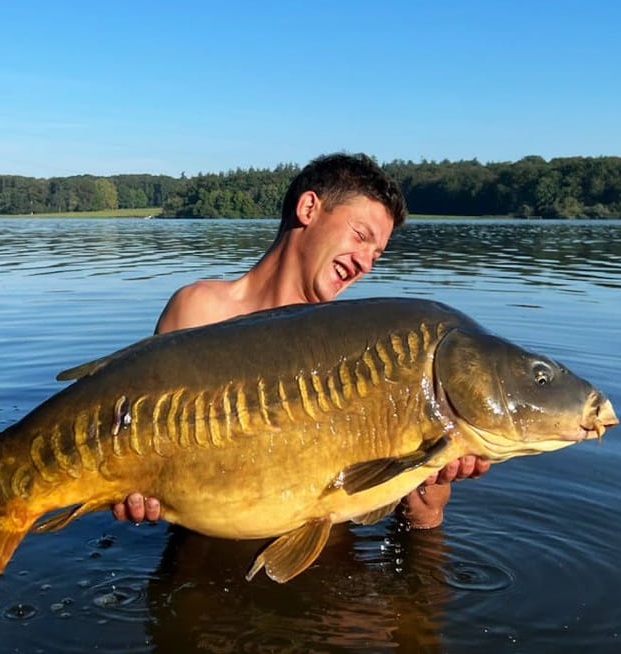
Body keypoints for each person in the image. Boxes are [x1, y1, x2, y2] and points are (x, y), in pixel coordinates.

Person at [112, 152, 489, 529]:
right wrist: (131, 486)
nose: (365, 263)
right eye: (361, 236)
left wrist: (432, 491)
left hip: (332, 553)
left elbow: (420, 522)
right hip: (203, 549)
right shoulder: (199, 311)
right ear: (308, 208)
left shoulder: (365, 352)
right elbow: (138, 445)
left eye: (376, 256)